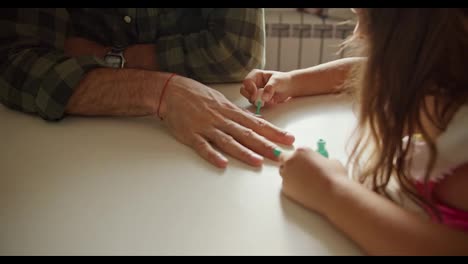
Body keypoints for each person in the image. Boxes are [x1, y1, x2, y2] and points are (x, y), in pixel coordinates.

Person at [240, 8, 468, 255]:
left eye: (365, 18)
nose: (358, 34)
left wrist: (330, 190)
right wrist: (292, 81)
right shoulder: (436, 76)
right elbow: (361, 70)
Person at [0, 8, 295, 169]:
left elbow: (237, 51)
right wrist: (160, 90)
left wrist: (110, 58)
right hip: (62, 157)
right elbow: (15, 65)